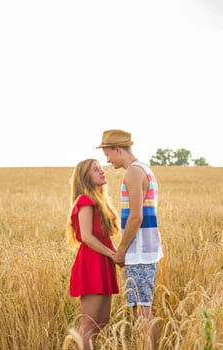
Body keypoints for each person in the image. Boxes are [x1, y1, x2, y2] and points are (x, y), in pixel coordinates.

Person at [97, 129, 164, 349]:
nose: (107, 160)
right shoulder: (145, 169)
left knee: (142, 310)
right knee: (140, 307)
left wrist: (121, 251)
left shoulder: (133, 173)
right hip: (146, 249)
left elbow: (136, 217)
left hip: (141, 251)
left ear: (118, 150)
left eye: (108, 154)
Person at [67, 158, 120, 350]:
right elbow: (88, 237)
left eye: (101, 168)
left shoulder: (101, 200)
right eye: (96, 170)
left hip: (103, 261)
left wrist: (117, 254)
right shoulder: (85, 200)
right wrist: (112, 255)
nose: (102, 171)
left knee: (102, 320)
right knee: (89, 324)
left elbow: (105, 236)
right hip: (92, 262)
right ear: (85, 177)